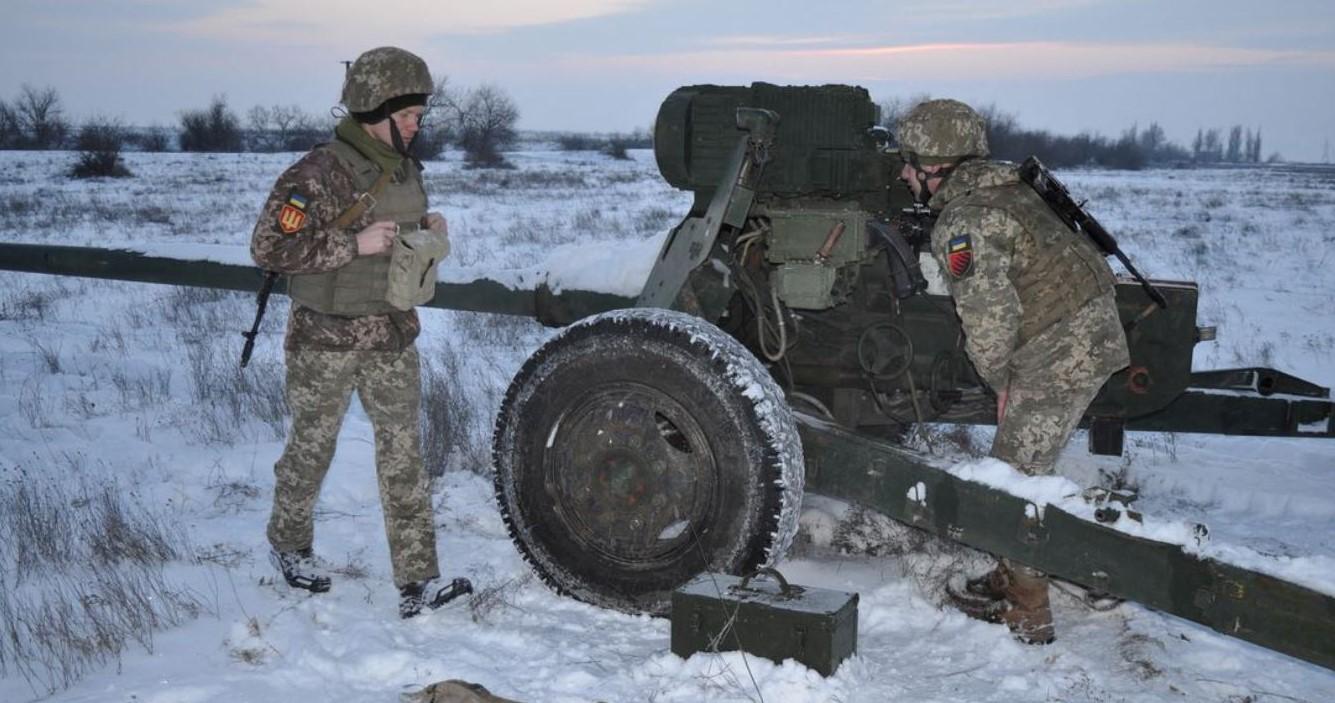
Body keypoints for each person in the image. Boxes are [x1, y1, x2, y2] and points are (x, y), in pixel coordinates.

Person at [895, 99, 1130, 644]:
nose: (903, 173)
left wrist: (1002, 381)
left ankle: (1028, 612)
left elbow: (990, 319)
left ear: (935, 167)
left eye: (909, 163)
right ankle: (1020, 574)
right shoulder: (1009, 189)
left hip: (1062, 352)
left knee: (1013, 483)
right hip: (1079, 334)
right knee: (1020, 468)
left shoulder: (965, 220)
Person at [251, 46, 469, 619]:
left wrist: (424, 226)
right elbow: (269, 248)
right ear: (376, 110)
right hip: (324, 338)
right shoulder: (317, 172)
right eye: (409, 116)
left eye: (420, 116)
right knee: (311, 449)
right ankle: (290, 544)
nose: (418, 126)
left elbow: (393, 232)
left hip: (390, 333)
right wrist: (353, 244)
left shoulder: (404, 169)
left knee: (405, 457)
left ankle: (417, 583)